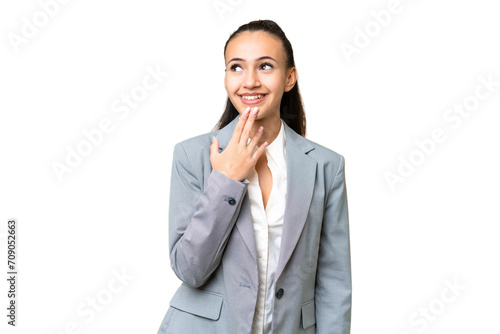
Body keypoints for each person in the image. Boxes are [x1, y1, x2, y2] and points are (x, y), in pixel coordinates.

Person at [157, 19, 351, 334]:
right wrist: (226, 181)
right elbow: (189, 269)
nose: (249, 81)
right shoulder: (192, 156)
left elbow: (334, 280)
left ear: (289, 78)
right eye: (236, 67)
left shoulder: (326, 166)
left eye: (265, 66)